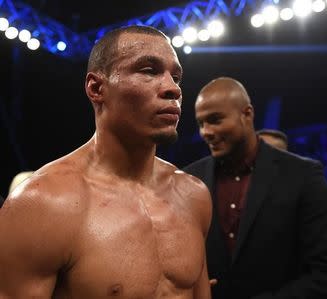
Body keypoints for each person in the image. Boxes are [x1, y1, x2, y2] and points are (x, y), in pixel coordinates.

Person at [0, 25, 212, 298]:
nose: (173, 89)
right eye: (149, 70)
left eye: (177, 77)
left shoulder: (194, 196)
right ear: (96, 88)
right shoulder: (41, 204)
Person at [183, 77, 327, 299]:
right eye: (201, 123)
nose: (206, 132)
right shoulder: (190, 179)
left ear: (247, 114)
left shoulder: (303, 175)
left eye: (215, 120)